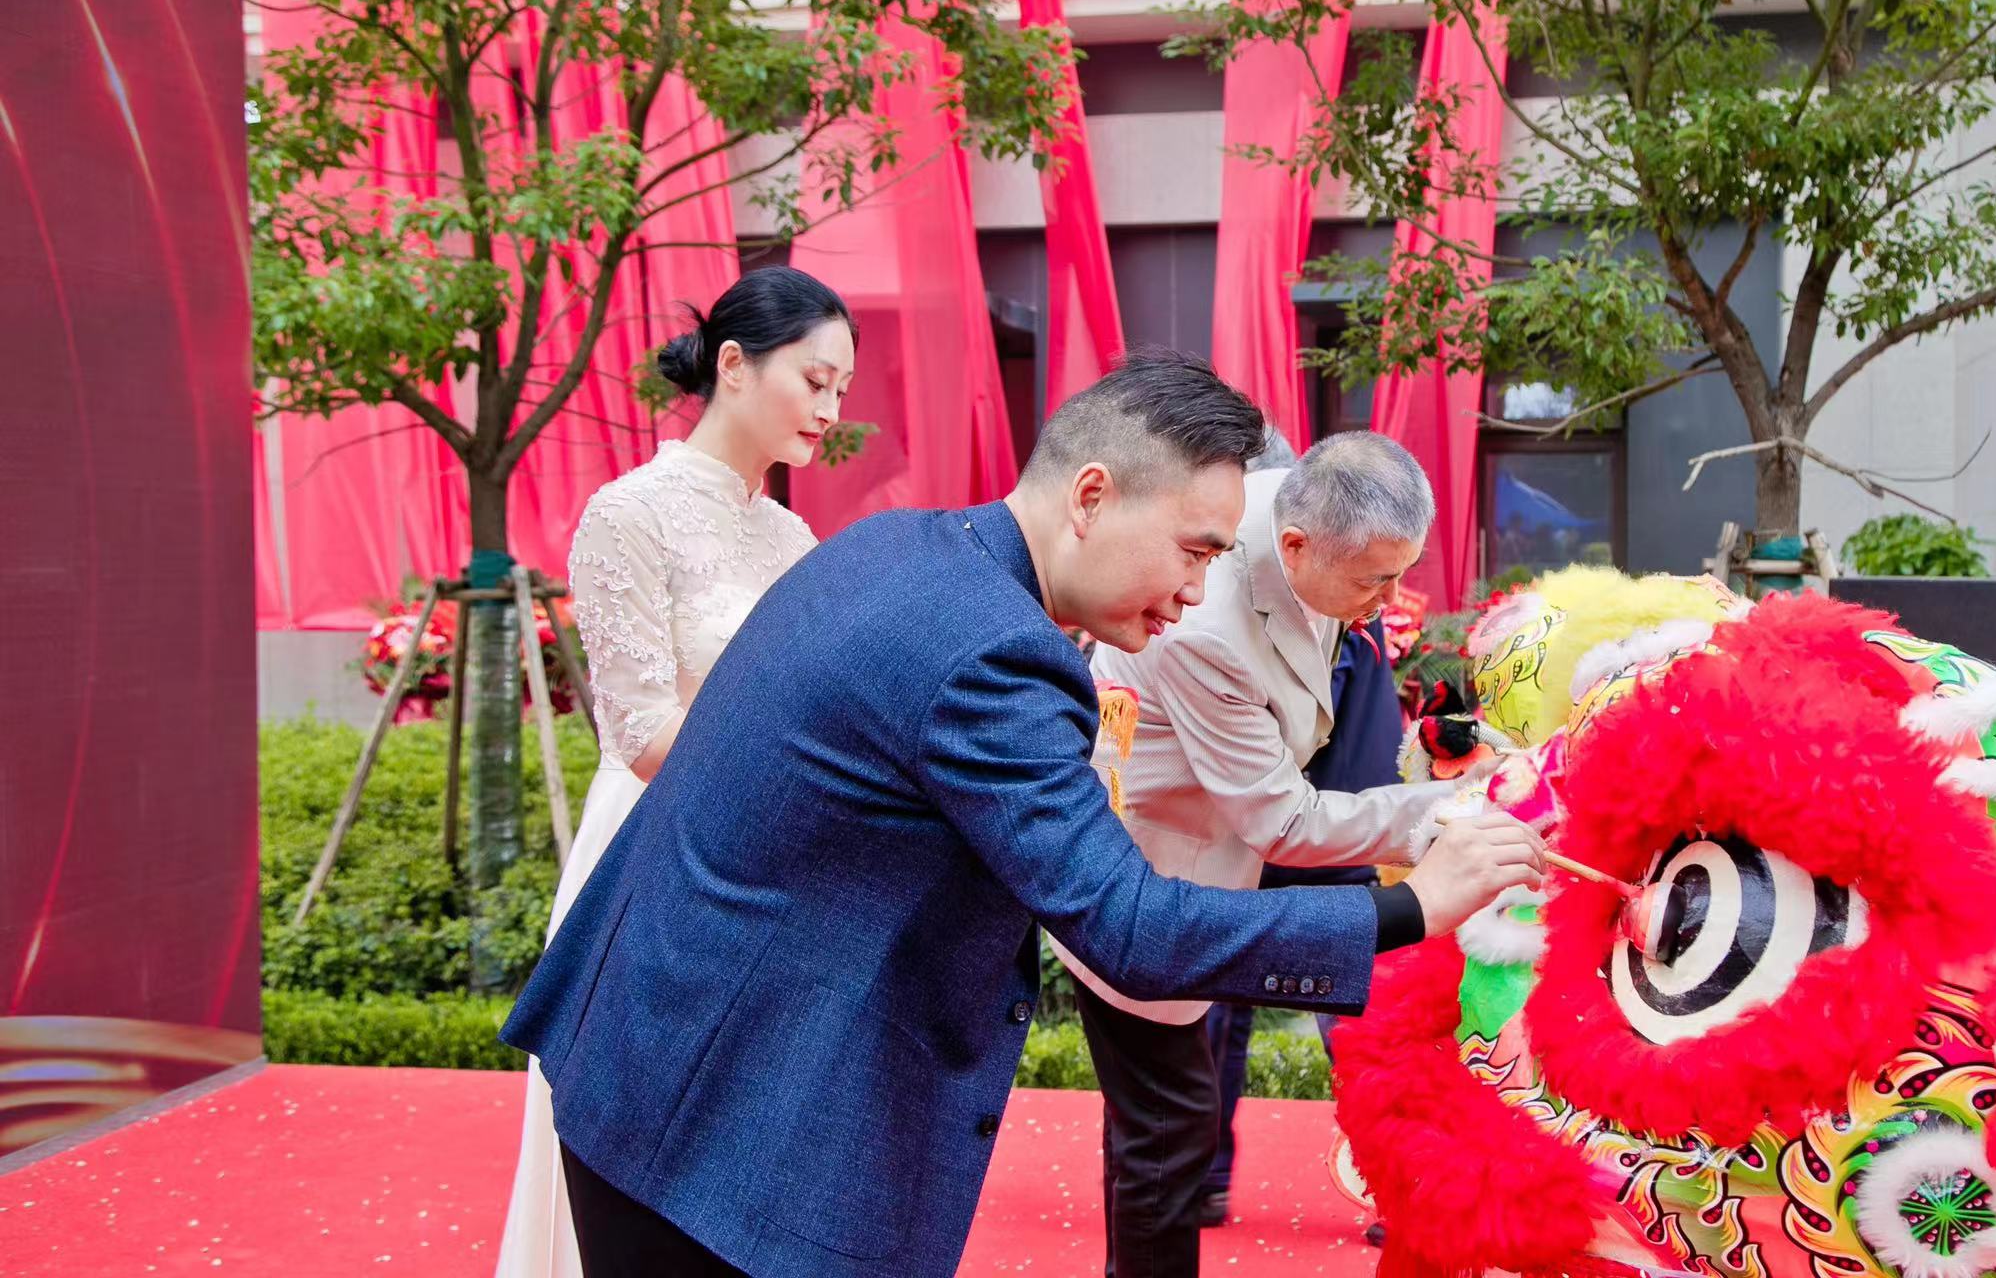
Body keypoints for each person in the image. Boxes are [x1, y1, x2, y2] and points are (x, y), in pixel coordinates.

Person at [498, 351, 1547, 1278]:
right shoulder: (996, 659)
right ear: (1091, 496)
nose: (1196, 592)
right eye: (1192, 551)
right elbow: (1133, 928)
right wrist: (1415, 905)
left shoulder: (903, 545)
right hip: (727, 1115)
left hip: (657, 1042)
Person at [493, 265, 854, 1278]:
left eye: (841, 389)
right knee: (631, 1132)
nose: (830, 408)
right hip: (650, 851)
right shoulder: (627, 513)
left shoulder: (791, 535)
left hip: (770, 858)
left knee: (739, 1132)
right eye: (815, 380)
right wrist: (792, 781)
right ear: (733, 364)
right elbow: (641, 726)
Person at [1054, 431, 1478, 1276]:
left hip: (1231, 828)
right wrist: (1452, 809)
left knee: (1169, 1118)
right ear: (1293, 545)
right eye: (1373, 582)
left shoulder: (1305, 508)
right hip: (1157, 867)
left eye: (1399, 574)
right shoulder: (1204, 627)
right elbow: (1282, 823)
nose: (1389, 601)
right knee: (1169, 1126)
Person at [1198, 616, 1405, 1234]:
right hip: (1319, 830)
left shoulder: (1328, 609)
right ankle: (1399, 1190)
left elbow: (1305, 723)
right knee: (1354, 1028)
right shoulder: (1346, 601)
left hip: (1314, 829)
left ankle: (1203, 1178)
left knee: (1345, 1025)